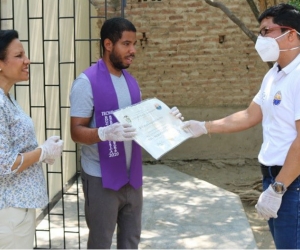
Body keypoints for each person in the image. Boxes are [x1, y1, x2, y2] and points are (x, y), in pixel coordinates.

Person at [182, 3, 300, 249]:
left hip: (292, 182)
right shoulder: (274, 75)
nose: (261, 38)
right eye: (260, 32)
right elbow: (249, 115)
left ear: (290, 34)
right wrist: (204, 126)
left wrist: (279, 188)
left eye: (267, 31)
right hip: (273, 177)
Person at [69, 17, 181, 249]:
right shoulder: (86, 82)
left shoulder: (132, 83)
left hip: (132, 177)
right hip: (101, 177)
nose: (133, 50)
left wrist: (168, 121)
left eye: (134, 44)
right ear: (108, 44)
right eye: (126, 44)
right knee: (101, 243)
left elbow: (141, 127)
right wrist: (103, 133)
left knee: (131, 241)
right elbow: (76, 132)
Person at [0, 30, 64, 249]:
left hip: (17, 210)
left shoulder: (7, 98)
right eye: (19, 56)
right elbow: (3, 163)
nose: (27, 60)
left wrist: (42, 152)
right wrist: (42, 152)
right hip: (10, 211)